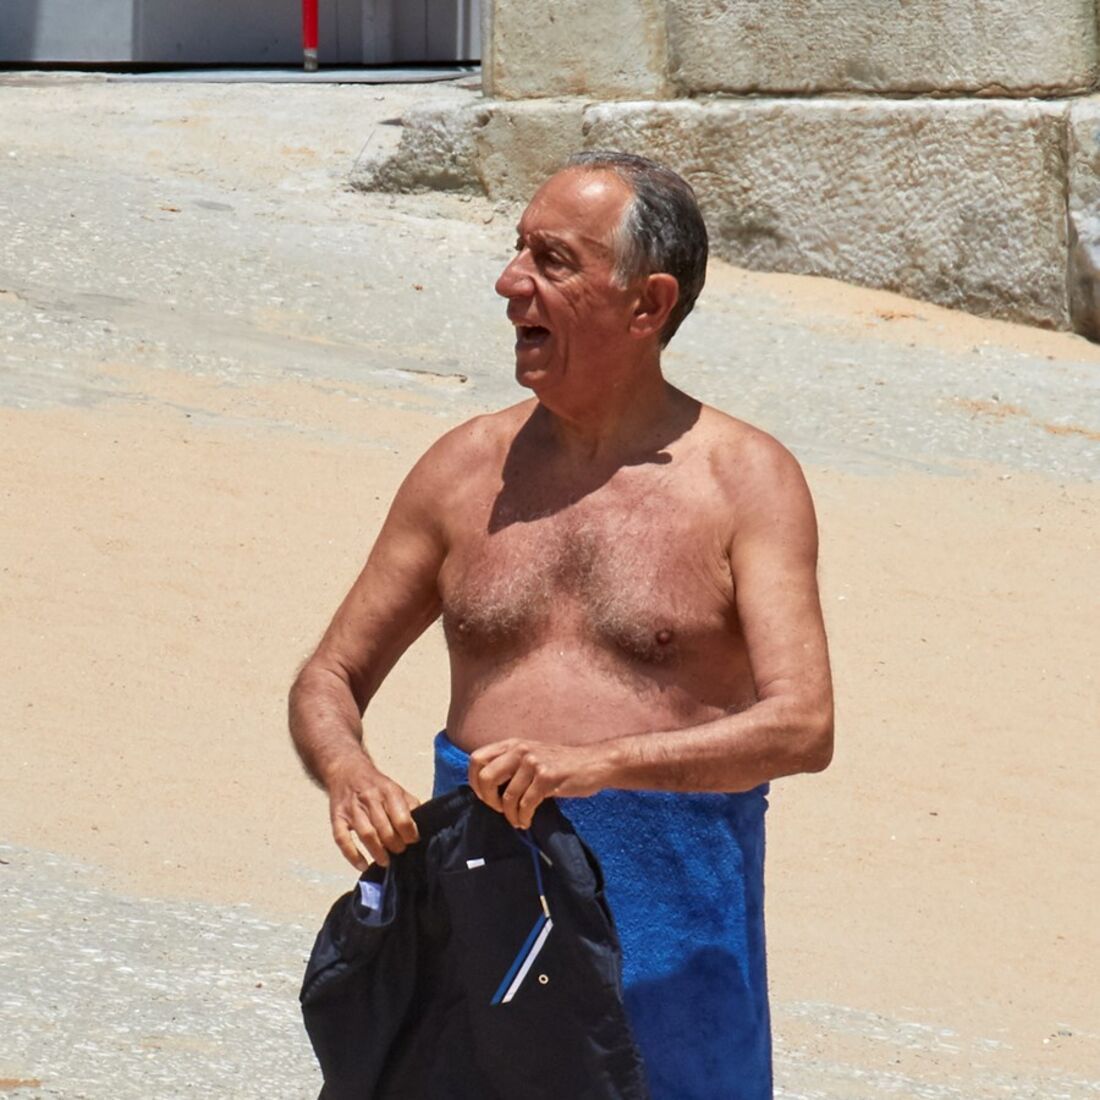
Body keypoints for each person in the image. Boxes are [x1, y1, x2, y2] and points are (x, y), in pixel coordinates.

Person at [288, 151, 834, 1099]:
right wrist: (348, 772)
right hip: (480, 929)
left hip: (671, 957)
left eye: (553, 261)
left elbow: (803, 725)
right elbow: (328, 677)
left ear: (648, 303)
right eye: (517, 253)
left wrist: (598, 765)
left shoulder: (744, 482)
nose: (511, 284)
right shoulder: (464, 471)